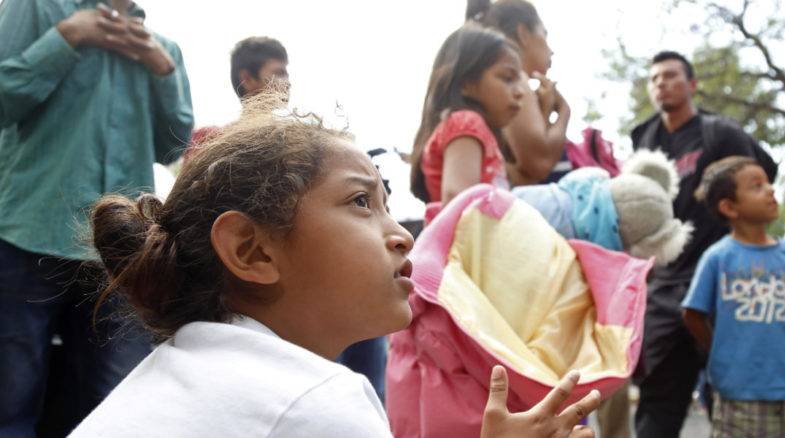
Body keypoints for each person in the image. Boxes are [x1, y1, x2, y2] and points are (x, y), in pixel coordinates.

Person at [69, 96, 600, 437]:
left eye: (388, 206)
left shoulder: (182, 371)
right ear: (252, 251)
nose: (400, 235)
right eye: (361, 203)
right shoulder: (314, 403)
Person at [0, 0, 193, 435]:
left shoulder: (163, 48)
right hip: (26, 238)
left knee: (118, 411)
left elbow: (172, 149)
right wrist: (66, 38)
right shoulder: (35, 7)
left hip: (117, 258)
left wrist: (160, 67)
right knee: (9, 407)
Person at [629, 50, 777, 437]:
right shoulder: (643, 141)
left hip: (719, 284)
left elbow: (761, 178)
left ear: (692, 84)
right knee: (657, 401)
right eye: (654, 77)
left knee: (730, 395)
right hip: (662, 290)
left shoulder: (720, 132)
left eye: (671, 75)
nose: (661, 82)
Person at [682, 156, 785, 437]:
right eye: (756, 186)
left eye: (769, 183)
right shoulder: (717, 258)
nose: (770, 190)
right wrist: (721, 350)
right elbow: (692, 314)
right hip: (741, 392)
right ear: (729, 207)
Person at [409, 24, 524, 222]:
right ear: (467, 84)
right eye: (507, 78)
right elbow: (459, 200)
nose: (520, 91)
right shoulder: (466, 122)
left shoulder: (474, 128)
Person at [467, 0, 572, 185]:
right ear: (523, 34)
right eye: (544, 35)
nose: (551, 51)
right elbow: (539, 165)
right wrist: (564, 111)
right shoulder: (518, 82)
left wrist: (545, 113)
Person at [183, 36, 288, 161]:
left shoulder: (293, 141)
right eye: (279, 73)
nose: (288, 83)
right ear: (247, 79)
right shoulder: (207, 141)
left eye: (287, 74)